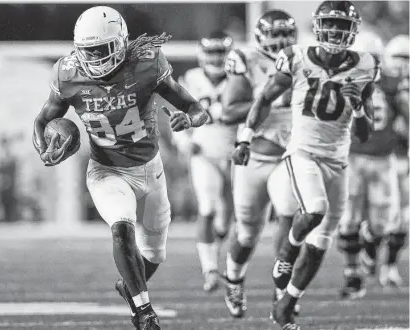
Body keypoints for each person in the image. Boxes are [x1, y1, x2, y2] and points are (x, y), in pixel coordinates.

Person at [32, 6, 209, 330]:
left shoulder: (146, 63)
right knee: (121, 226)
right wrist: (45, 149)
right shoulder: (68, 73)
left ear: (121, 44)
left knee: (154, 255)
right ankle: (144, 313)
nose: (97, 59)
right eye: (90, 51)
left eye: (103, 50)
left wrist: (190, 120)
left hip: (149, 168)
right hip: (106, 170)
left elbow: (196, 107)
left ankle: (129, 286)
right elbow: (43, 118)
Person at [232, 1, 377, 328]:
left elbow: (366, 133)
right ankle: (286, 255)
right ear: (318, 26)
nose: (336, 32)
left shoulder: (366, 65)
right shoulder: (296, 57)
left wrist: (357, 107)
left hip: (338, 161)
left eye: (342, 26)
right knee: (314, 210)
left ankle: (288, 302)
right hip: (302, 153)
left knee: (321, 241)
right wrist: (244, 137)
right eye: (330, 24)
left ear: (353, 31)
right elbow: (264, 98)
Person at [220, 9, 299, 318]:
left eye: (285, 35)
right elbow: (229, 112)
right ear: (260, 37)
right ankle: (234, 277)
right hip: (254, 157)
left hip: (290, 155)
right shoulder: (247, 60)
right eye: (274, 35)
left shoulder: (303, 59)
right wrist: (270, 100)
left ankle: (283, 289)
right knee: (247, 234)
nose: (280, 41)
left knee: (288, 216)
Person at [336, 30, 406, 299]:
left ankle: (369, 248)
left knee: (382, 223)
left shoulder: (390, 82)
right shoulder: (342, 80)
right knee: (350, 217)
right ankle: (352, 273)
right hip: (352, 156)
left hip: (383, 158)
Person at [174, 30, 236, 293]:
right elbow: (175, 117)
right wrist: (184, 142)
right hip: (204, 153)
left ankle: (214, 245)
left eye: (220, 52)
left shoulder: (240, 79)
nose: (216, 57)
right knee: (208, 208)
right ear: (202, 54)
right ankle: (210, 270)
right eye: (211, 52)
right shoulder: (190, 79)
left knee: (228, 218)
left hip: (235, 154)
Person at [380, 34, 409, 288]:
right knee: (384, 218)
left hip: (404, 159)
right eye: (398, 57)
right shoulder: (382, 86)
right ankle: (369, 257)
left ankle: (389, 266)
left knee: (402, 219)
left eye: (407, 58)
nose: (403, 63)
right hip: (387, 159)